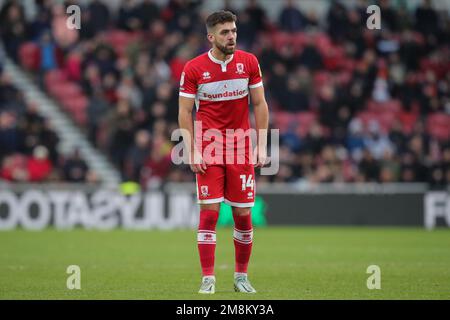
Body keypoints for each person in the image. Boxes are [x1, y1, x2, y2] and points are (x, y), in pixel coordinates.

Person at [178, 11, 269, 294]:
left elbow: (260, 104)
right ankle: (208, 278)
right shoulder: (193, 68)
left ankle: (241, 276)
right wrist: (191, 149)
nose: (231, 36)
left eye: (233, 31)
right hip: (209, 146)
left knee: (243, 213)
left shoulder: (249, 62)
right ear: (211, 37)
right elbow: (184, 110)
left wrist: (262, 143)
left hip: (240, 145)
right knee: (210, 212)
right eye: (225, 33)